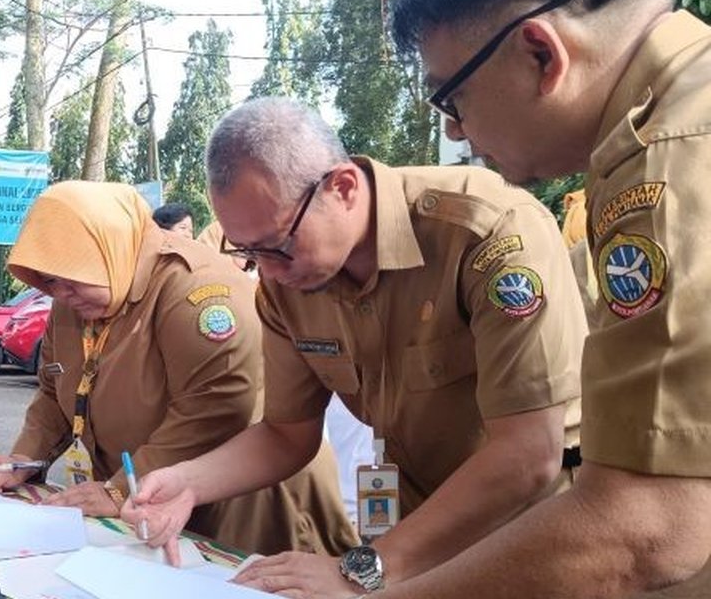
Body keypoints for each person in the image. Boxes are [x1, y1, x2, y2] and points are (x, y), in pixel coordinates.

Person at [379, 0, 711, 597]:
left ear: (539, 52)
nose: (454, 132)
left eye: (450, 96)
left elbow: (649, 526)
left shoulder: (671, 154)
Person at [126, 97, 585, 597]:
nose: (269, 271)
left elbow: (527, 454)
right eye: (249, 252)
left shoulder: (485, 234)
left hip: (534, 533)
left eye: (278, 246)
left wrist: (364, 567)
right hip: (415, 528)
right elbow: (286, 434)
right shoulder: (287, 285)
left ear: (342, 188)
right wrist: (188, 482)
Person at [0, 181, 358, 557]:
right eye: (50, 282)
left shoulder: (194, 287)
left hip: (249, 507)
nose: (61, 295)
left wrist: (120, 489)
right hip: (149, 501)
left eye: (71, 280)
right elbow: (55, 392)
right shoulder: (73, 296)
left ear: (108, 250)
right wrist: (21, 462)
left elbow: (217, 406)